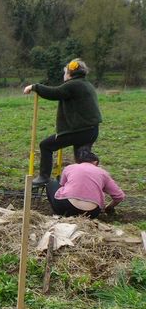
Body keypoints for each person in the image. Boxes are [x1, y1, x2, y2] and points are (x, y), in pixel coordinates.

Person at [24, 58, 101, 186]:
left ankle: (44, 177)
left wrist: (34, 87)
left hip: (79, 130)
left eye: (65, 73)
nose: (64, 76)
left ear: (70, 73)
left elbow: (54, 93)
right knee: (82, 159)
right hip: (91, 130)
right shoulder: (86, 84)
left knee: (46, 145)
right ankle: (90, 169)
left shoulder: (73, 85)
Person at [45, 149, 124, 219]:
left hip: (65, 207)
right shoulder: (103, 173)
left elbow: (62, 186)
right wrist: (109, 208)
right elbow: (119, 196)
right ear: (96, 162)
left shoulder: (70, 167)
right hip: (91, 213)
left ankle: (58, 214)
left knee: (52, 184)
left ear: (79, 161)